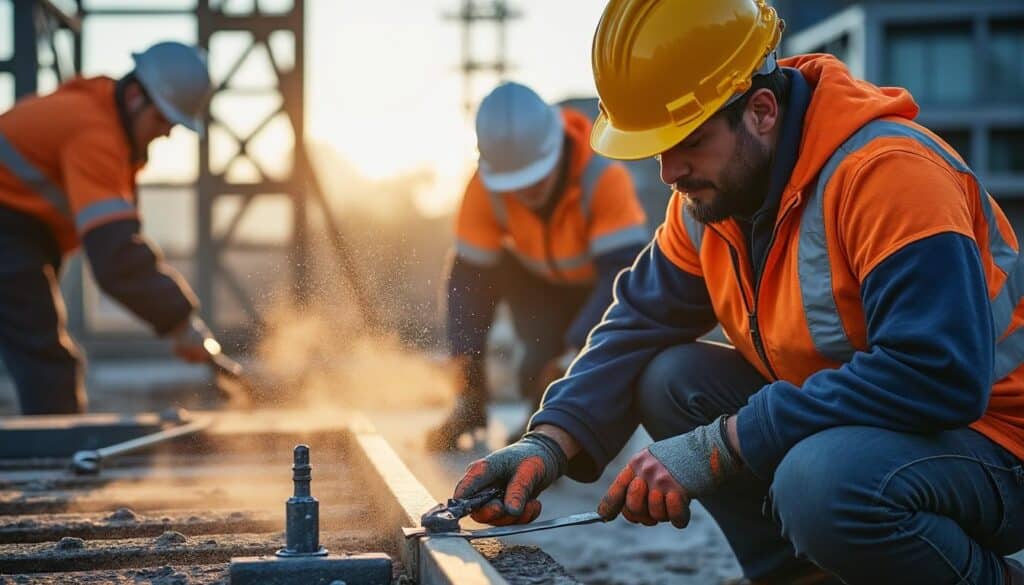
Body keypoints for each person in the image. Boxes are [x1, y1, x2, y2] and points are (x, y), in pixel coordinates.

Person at [450, 1, 1024, 583]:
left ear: (762, 111)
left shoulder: (888, 174)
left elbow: (937, 371)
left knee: (819, 482)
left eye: (689, 141)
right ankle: (802, 577)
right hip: (878, 426)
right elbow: (637, 322)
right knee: (671, 380)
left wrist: (725, 443)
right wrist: (546, 445)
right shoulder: (709, 203)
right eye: (658, 149)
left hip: (996, 442)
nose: (669, 172)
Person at [0, 41, 222, 415]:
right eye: (163, 119)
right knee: (48, 365)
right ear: (136, 96)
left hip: (19, 229)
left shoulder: (100, 120)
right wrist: (180, 322)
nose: (166, 134)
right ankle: (60, 465)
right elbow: (116, 256)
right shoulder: (95, 135)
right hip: (9, 230)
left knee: (43, 355)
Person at [426, 81, 649, 451]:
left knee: (568, 373)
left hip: (598, 287)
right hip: (535, 283)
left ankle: (575, 428)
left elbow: (623, 275)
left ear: (556, 148)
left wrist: (575, 350)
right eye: (516, 183)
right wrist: (466, 362)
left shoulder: (604, 181)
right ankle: (475, 405)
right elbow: (468, 280)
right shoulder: (483, 189)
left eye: (535, 178)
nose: (526, 191)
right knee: (534, 366)